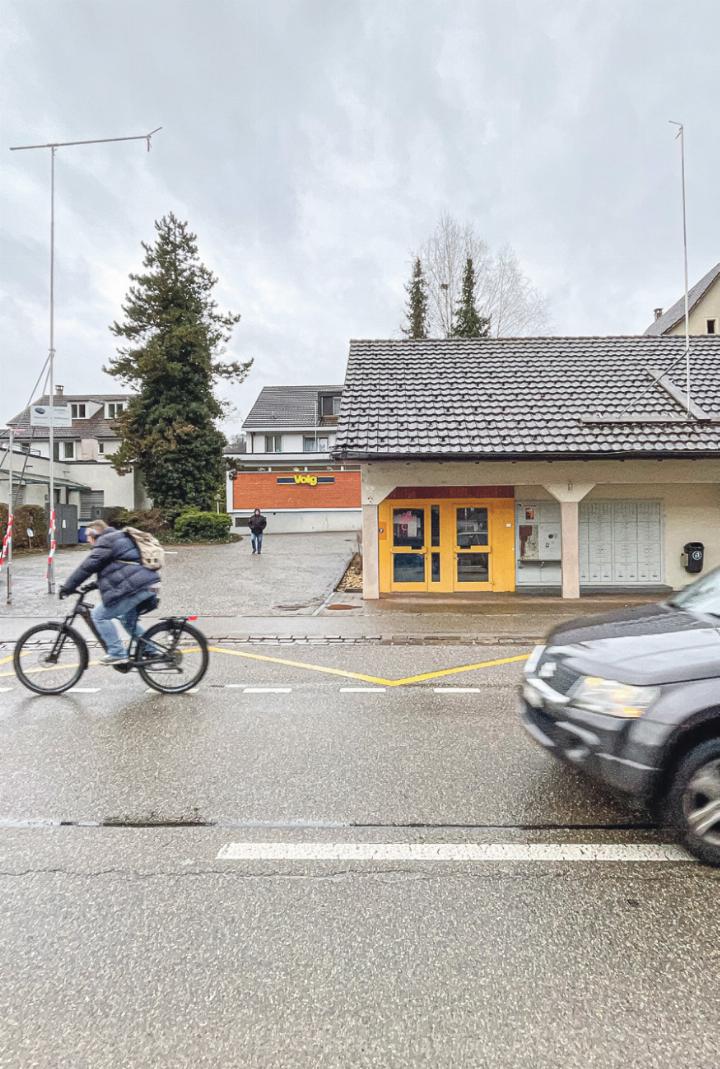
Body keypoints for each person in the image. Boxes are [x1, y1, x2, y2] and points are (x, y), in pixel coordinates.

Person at [59, 519, 160, 665]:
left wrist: (68, 587)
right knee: (127, 621)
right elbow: (119, 569)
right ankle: (150, 649)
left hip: (138, 587)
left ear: (95, 534)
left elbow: (88, 566)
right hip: (149, 585)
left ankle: (117, 653)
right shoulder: (117, 538)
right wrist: (94, 585)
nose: (87, 540)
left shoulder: (106, 540)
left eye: (88, 536)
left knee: (99, 615)